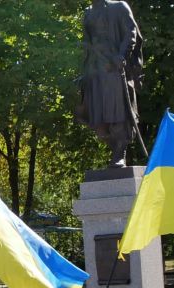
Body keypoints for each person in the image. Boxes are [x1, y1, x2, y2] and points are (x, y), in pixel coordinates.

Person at [76, 0, 144, 168]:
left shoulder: (119, 6)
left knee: (117, 111)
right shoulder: (88, 12)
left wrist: (122, 55)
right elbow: (88, 42)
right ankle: (115, 149)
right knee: (97, 116)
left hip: (114, 69)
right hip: (95, 70)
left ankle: (120, 152)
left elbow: (131, 32)